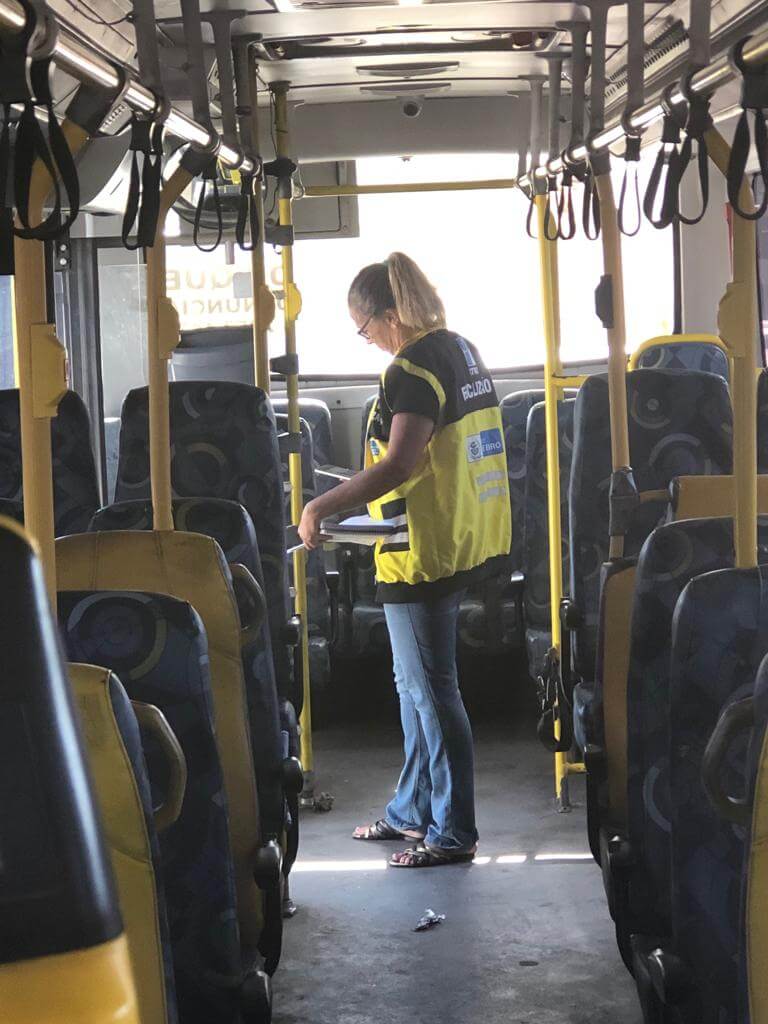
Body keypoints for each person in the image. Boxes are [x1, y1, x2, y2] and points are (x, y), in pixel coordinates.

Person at [298, 252, 511, 868]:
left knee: (431, 690)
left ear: (387, 316)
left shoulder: (412, 369)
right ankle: (412, 810)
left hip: (423, 545)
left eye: (365, 331)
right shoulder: (460, 350)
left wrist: (321, 506)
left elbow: (399, 463)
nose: (368, 342)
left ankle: (452, 830)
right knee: (413, 685)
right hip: (461, 531)